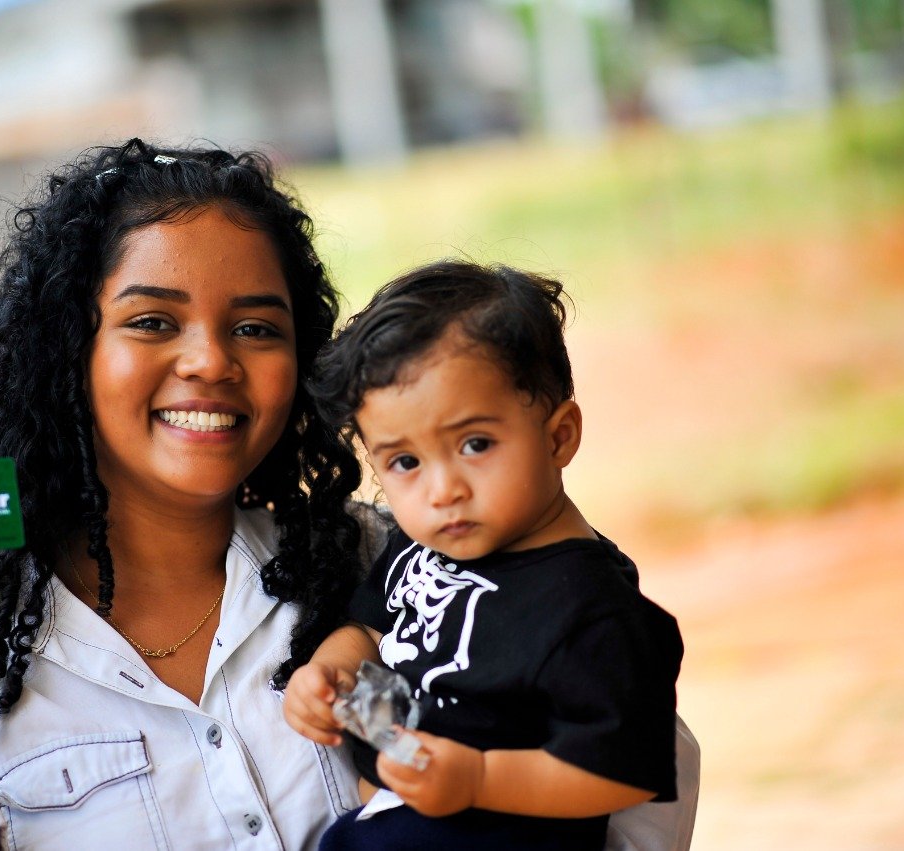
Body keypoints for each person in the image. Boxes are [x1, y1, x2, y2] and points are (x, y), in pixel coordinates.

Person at [0, 139, 377, 850]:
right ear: (69, 351)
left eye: (255, 327)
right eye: (152, 321)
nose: (211, 360)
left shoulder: (381, 565)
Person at [286, 261, 686, 850]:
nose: (442, 489)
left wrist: (478, 779)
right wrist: (329, 670)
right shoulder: (421, 543)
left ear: (558, 437)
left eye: (475, 445)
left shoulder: (593, 608)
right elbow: (372, 630)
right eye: (405, 462)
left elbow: (620, 772)